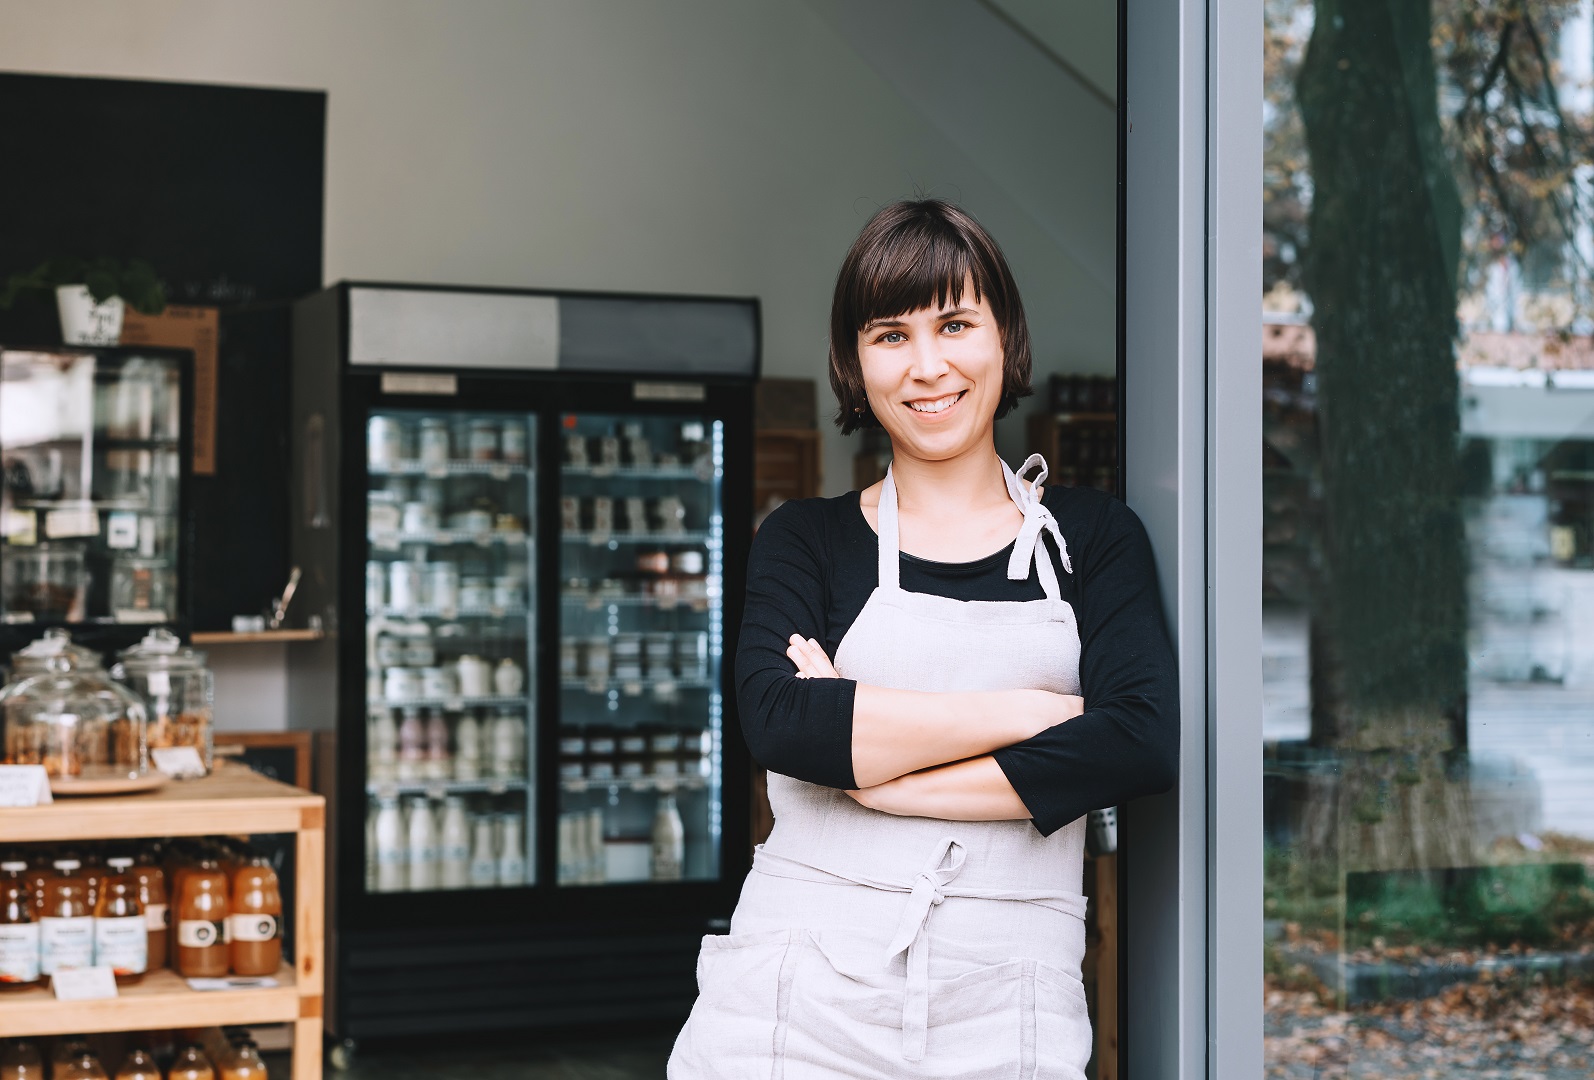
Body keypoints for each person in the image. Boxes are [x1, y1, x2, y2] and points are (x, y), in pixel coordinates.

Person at [668, 199, 1178, 1077]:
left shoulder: (1092, 538)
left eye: (955, 324)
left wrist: (879, 779)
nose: (928, 365)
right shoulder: (804, 539)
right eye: (891, 335)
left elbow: (1137, 741)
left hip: (1010, 1009)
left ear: (1006, 336)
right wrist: (1036, 714)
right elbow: (783, 724)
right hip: (794, 1001)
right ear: (853, 363)